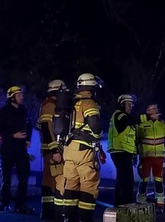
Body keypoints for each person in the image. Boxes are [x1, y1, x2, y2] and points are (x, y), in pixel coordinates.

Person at [62, 73, 103, 222]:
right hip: (84, 151)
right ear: (91, 87)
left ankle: (69, 218)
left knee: (71, 185)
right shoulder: (89, 103)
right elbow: (96, 128)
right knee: (89, 186)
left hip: (69, 150)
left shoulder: (71, 103)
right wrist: (98, 136)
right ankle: (84, 219)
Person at [0, 86, 34, 214]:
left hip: (21, 148)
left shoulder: (23, 110)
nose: (22, 97)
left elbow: (29, 125)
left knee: (24, 176)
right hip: (8, 147)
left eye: (21, 95)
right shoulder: (4, 111)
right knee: (6, 177)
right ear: (12, 97)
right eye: (19, 95)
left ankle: (20, 205)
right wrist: (13, 135)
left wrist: (28, 139)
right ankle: (4, 203)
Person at [136, 103, 165, 213]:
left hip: (159, 157)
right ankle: (141, 202)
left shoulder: (162, 124)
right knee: (144, 180)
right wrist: (135, 155)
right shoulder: (141, 124)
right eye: (151, 109)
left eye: (155, 109)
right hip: (145, 156)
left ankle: (160, 204)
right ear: (148, 112)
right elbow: (136, 139)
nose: (153, 111)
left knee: (159, 181)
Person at [37, 80, 66, 221]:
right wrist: (55, 150)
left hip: (50, 150)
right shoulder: (50, 105)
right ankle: (55, 212)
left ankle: (48, 210)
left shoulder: (48, 104)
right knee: (57, 180)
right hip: (52, 151)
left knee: (49, 180)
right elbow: (47, 128)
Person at [107, 94, 139, 206]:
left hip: (125, 152)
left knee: (125, 178)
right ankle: (123, 203)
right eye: (128, 104)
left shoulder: (127, 118)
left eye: (132, 105)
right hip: (119, 151)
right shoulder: (119, 115)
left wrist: (134, 155)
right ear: (122, 105)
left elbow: (131, 139)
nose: (131, 107)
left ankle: (123, 202)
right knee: (125, 178)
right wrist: (147, 117)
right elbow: (127, 121)